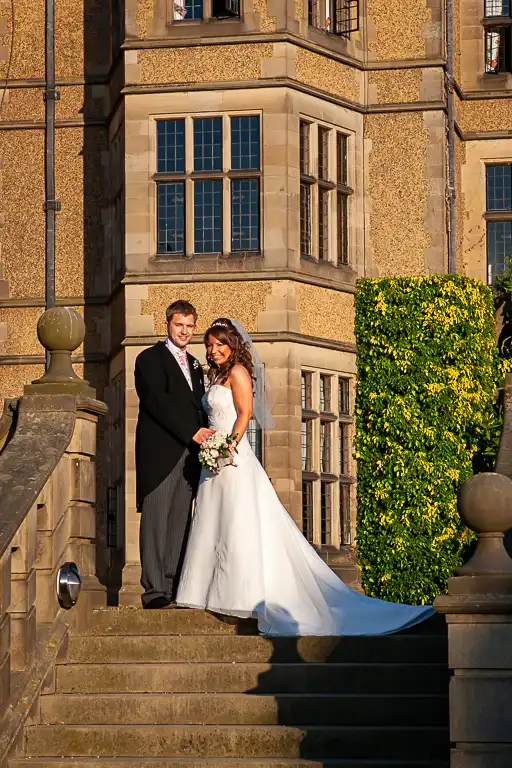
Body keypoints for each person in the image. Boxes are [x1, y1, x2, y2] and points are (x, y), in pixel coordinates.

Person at [176, 318, 435, 635]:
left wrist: (227, 447)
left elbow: (244, 414)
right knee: (212, 521)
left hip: (231, 458)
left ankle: (242, 594)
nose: (214, 350)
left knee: (237, 523)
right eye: (210, 345)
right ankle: (205, 591)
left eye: (220, 344)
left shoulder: (238, 373)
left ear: (233, 345)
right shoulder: (216, 376)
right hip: (214, 459)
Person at [134, 300, 214, 609]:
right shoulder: (149, 359)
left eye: (190, 326)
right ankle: (153, 590)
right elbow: (157, 402)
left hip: (191, 457)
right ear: (168, 324)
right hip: (160, 453)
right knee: (156, 520)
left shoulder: (195, 364)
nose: (184, 331)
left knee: (180, 521)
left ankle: (171, 587)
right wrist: (190, 431)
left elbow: (199, 407)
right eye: (179, 325)